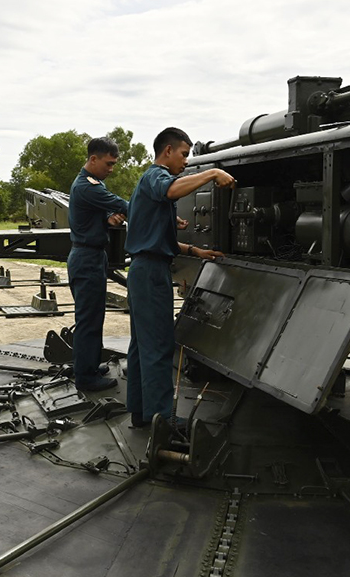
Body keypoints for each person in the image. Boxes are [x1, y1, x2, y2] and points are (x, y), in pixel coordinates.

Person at [125, 127, 233, 427]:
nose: (185, 162)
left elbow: (152, 234)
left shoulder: (148, 183)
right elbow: (171, 189)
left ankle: (141, 411)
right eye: (184, 155)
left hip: (143, 269)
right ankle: (162, 419)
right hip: (151, 273)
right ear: (167, 151)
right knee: (159, 346)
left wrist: (194, 250)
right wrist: (212, 173)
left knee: (141, 346)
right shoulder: (157, 176)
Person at [67, 137, 129, 392]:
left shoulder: (89, 185)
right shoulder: (88, 186)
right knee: (89, 319)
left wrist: (107, 220)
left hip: (91, 256)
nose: (111, 169)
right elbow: (125, 205)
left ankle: (89, 365)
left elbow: (99, 215)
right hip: (87, 258)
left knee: (93, 316)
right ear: (93, 159)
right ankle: (85, 377)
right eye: (109, 163)